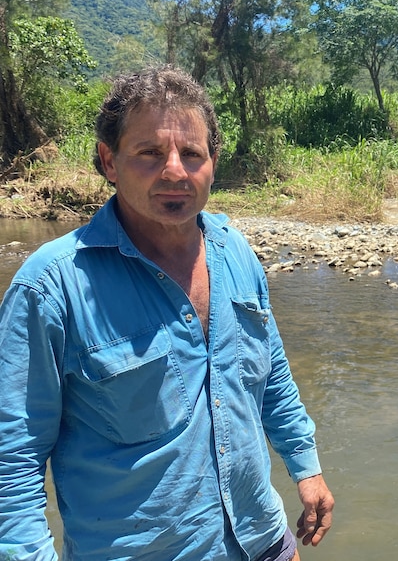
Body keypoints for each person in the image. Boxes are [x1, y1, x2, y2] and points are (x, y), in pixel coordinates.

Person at [0, 64, 334, 560]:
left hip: (262, 539)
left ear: (213, 161)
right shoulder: (52, 287)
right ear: (109, 161)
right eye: (150, 153)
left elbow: (271, 374)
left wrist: (306, 468)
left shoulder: (235, 252)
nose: (175, 170)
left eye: (192, 153)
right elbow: (14, 459)